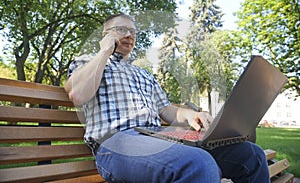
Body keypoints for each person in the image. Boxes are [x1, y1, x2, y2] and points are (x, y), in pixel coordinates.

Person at [64, 13, 270, 183]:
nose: (129, 35)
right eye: (121, 30)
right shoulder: (88, 63)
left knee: (252, 156)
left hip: (158, 138)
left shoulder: (143, 74)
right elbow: (78, 95)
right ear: (105, 35)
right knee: (199, 163)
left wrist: (192, 115)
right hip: (115, 144)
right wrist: (104, 51)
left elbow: (167, 110)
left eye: (133, 32)